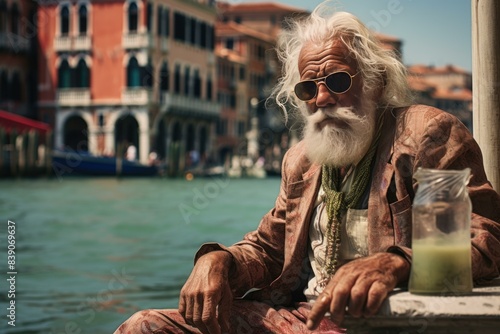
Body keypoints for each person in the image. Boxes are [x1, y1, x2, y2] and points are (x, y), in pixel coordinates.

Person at [114, 2, 500, 333]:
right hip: (302, 318)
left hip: (383, 320)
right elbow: (268, 249)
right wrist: (220, 260)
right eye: (308, 87)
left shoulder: (426, 136)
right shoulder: (301, 160)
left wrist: (396, 263)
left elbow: (484, 241)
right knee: (144, 326)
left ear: (376, 83)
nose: (322, 97)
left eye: (336, 80)